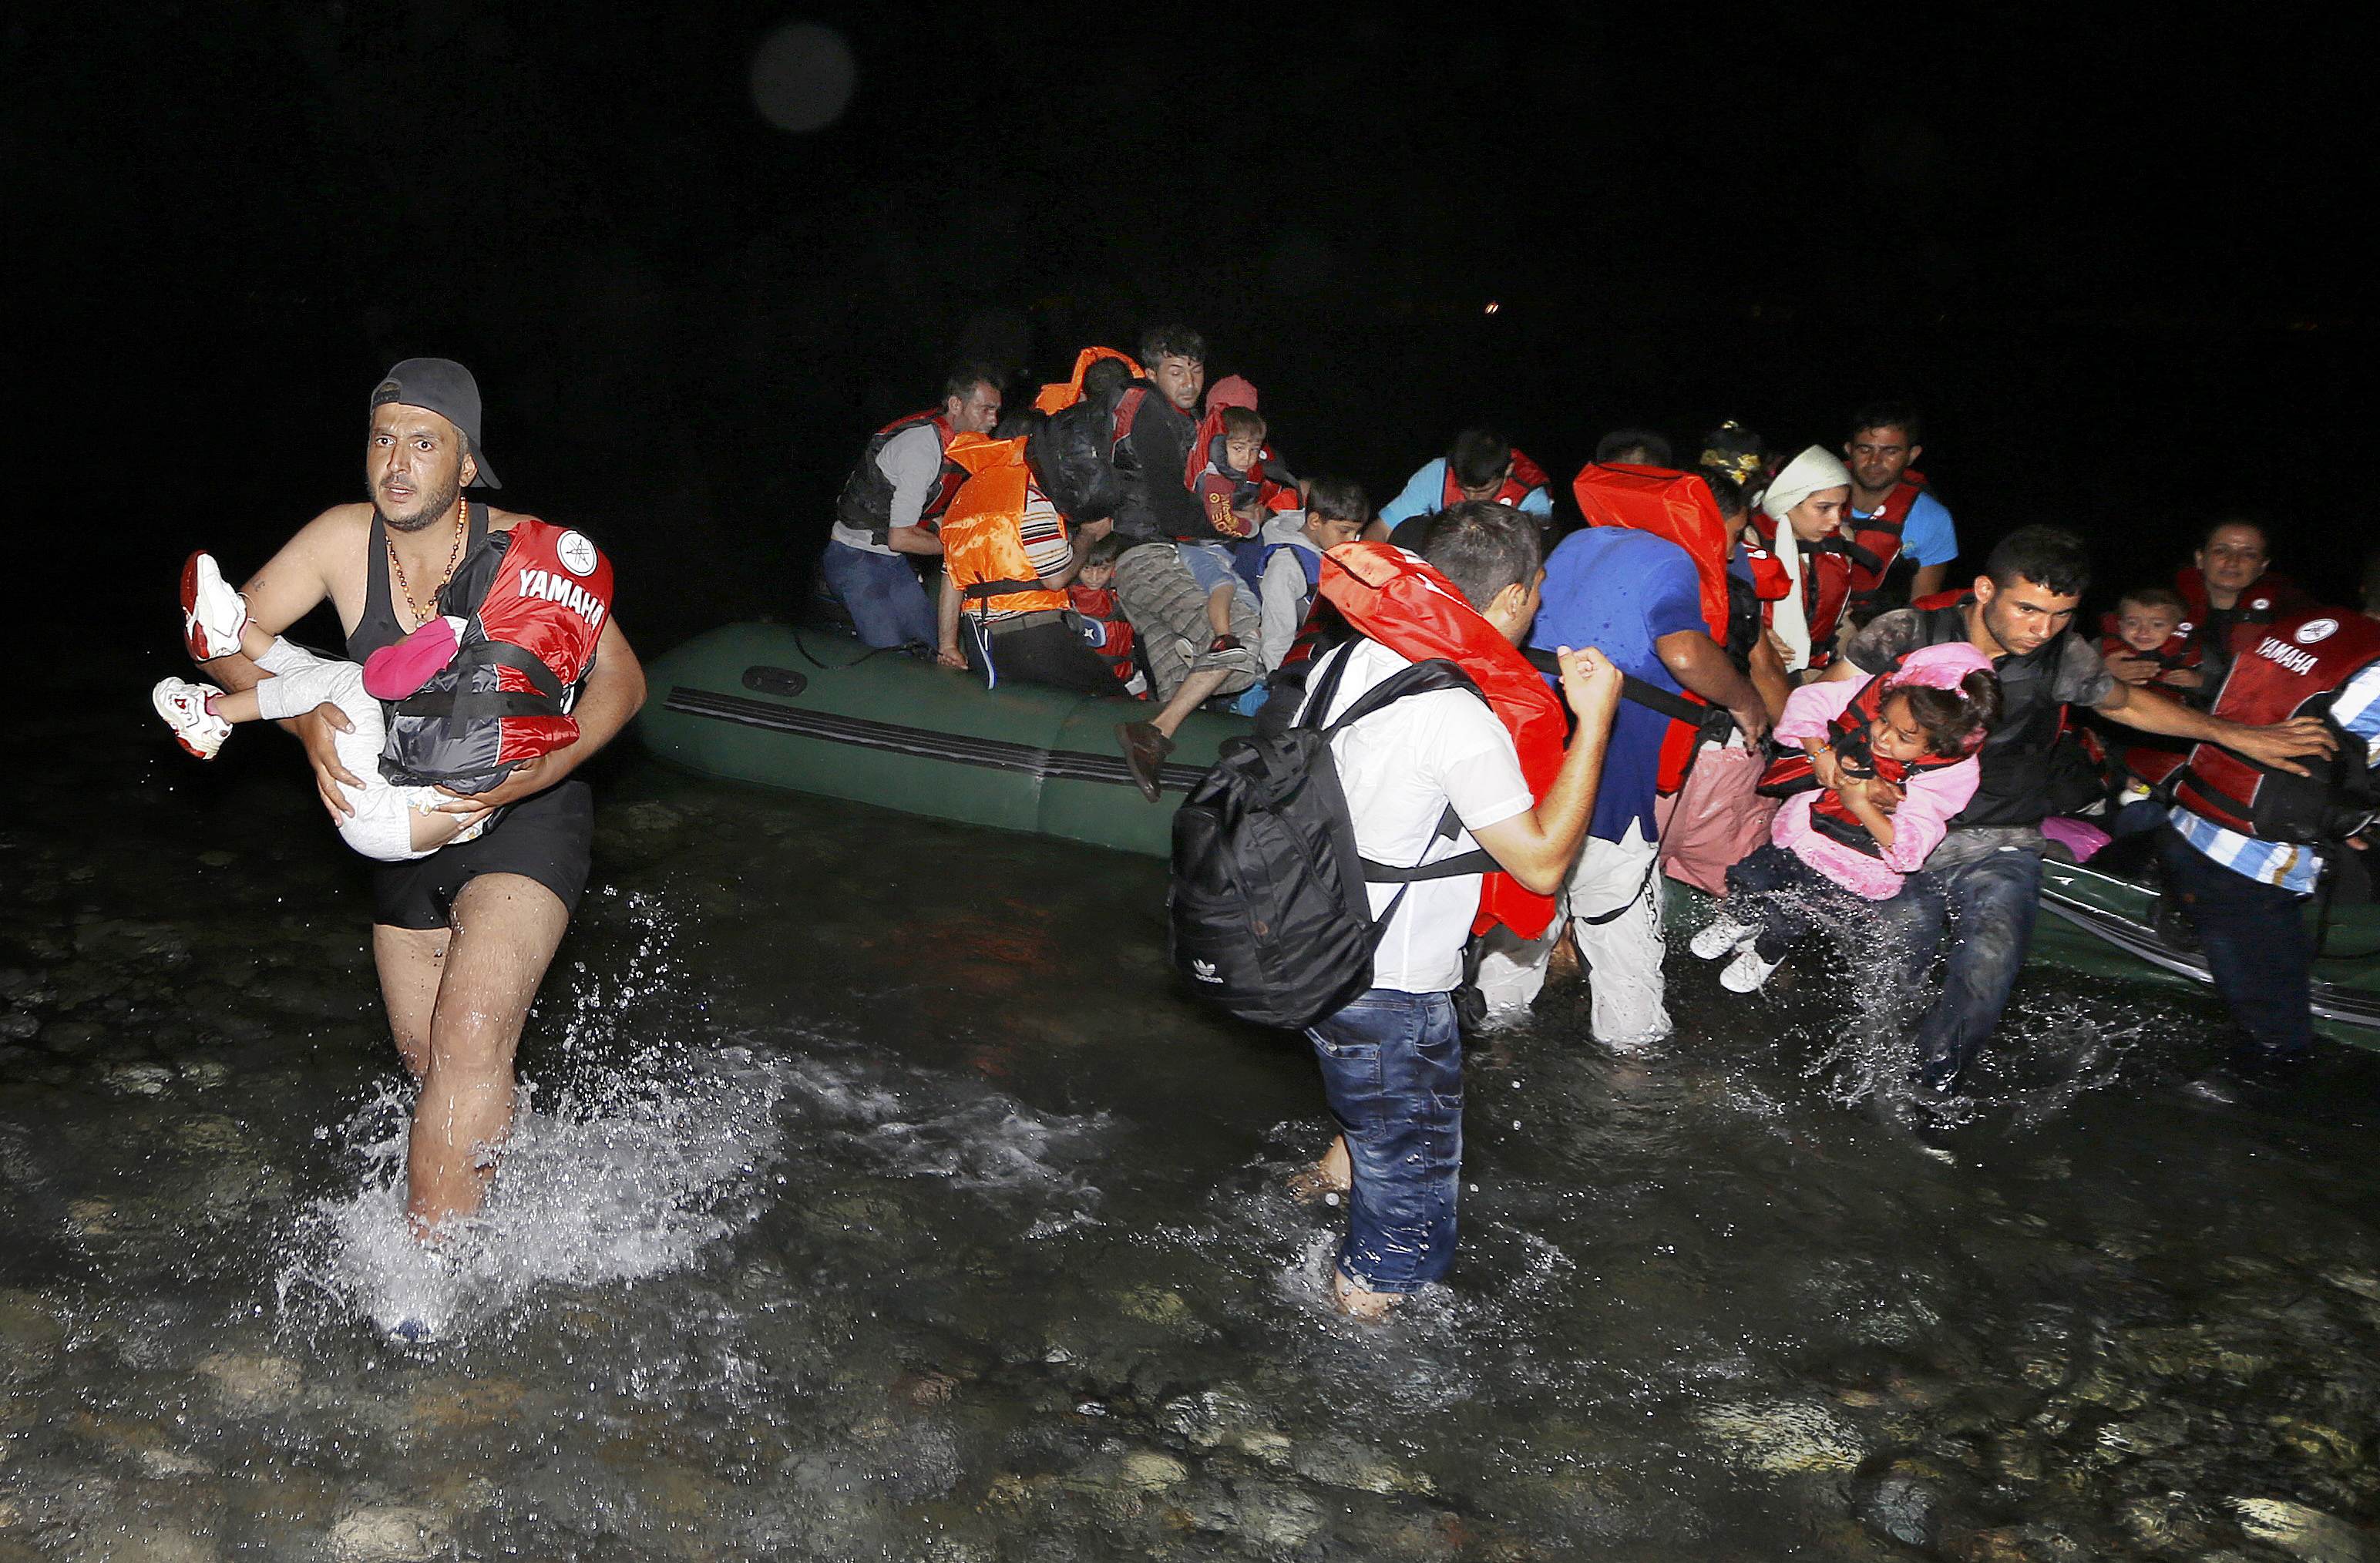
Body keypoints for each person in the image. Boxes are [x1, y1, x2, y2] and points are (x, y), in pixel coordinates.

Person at [189, 359, 646, 1252]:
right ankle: (512, 1193)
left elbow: (621, 681)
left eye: (424, 443)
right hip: (399, 823)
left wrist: (544, 773)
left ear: (466, 464)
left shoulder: (533, 551)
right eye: (383, 439)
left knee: (472, 1033)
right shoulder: (337, 539)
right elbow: (222, 642)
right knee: (430, 1061)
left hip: (526, 809)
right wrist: (306, 720)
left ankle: (432, 1284)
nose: (397, 463)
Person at [1826, 526, 2331, 1112]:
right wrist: (1848, 772)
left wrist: (2239, 736)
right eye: (2027, 610)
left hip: (2000, 839)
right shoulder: (1908, 630)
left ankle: (1932, 1093)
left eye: (2061, 614)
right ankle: (1858, 1079)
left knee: (1989, 968)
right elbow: (1824, 706)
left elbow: (2123, 702)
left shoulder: (2062, 654)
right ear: (1986, 589)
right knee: (1895, 967)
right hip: (1898, 830)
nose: (2041, 629)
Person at [1291, 506, 1622, 1317]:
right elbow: (1541, 861)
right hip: (1390, 985)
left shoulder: (1346, 661)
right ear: (1511, 597)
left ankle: (1320, 1180)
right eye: (1537, 592)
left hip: (1309, 948)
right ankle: (1359, 1328)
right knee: (1408, 1204)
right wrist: (1595, 722)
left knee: (1370, 1101)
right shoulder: (1458, 715)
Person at [1471, 473, 1770, 1044]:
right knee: (1620, 925)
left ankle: (1495, 1047)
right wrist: (1745, 701)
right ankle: (1633, 1071)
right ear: (1706, 520)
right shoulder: (1672, 560)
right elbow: (1682, 651)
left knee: (1527, 917)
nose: (1732, 551)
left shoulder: (1581, 542)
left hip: (1535, 761)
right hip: (1611, 772)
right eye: (1732, 534)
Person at [2163, 596, 2380, 1087]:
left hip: (2190, 823)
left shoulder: (2310, 625)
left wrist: (2350, 821)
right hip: (2250, 866)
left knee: (2250, 979)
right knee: (2280, 1043)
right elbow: (2346, 762)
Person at [1696, 644, 1997, 992]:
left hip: (1850, 865)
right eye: (1883, 721)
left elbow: (1912, 848)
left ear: (1938, 748)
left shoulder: (1949, 775)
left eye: (1904, 738)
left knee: (1789, 917)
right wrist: (1820, 753)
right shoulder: (1881, 692)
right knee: (1754, 874)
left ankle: (1764, 955)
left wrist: (1861, 804)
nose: (1883, 737)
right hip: (1805, 832)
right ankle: (1738, 918)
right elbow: (1809, 701)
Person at [156, 563, 496, 861]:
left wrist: (415, 642)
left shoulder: (461, 632)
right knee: (326, 679)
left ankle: (213, 712)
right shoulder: (518, 665)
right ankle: (237, 633)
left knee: (351, 681)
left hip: (386, 813)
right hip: (405, 821)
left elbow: (382, 680)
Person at [1108, 326, 1266, 799]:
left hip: (1146, 563)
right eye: (1175, 371)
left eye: (1196, 371)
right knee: (1239, 622)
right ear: (1153, 372)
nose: (1188, 381)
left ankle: (1145, 769)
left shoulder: (1184, 419)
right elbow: (1171, 509)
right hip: (1151, 558)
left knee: (1185, 678)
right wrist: (1236, 521)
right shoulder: (1152, 414)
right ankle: (1152, 732)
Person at [933, 418, 1121, 694]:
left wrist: (948, 645)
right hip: (1034, 635)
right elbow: (1056, 580)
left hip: (982, 641)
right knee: (1116, 701)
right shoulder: (1028, 494)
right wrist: (1089, 535)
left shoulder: (966, 500)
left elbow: (952, 578)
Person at [823, 365, 1003, 649]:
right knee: (892, 654)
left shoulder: (960, 447)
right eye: (986, 409)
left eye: (996, 411)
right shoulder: (921, 448)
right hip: (854, 558)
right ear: (956, 404)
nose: (994, 420)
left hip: (891, 561)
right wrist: (961, 550)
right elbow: (901, 538)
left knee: (934, 643)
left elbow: (942, 515)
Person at [2169, 518, 2316, 698]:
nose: (2233, 561)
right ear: (2200, 559)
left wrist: (2209, 683)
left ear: (2263, 566)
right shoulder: (2161, 608)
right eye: (2221, 551)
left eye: (2249, 554)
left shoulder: (2294, 615)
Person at [1749, 446, 1856, 678]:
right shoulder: (1749, 540)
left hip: (1821, 665)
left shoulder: (1843, 540)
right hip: (1759, 667)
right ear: (1789, 500)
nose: (1836, 519)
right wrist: (1756, 634)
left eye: (1841, 507)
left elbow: (1841, 615)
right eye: (1824, 508)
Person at [1842, 403, 1960, 610]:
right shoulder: (1811, 497)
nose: (1874, 461)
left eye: (1890, 451)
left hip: (1882, 632)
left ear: (1912, 455)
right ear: (1849, 450)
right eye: (1865, 449)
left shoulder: (1932, 519)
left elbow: (1922, 606)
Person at [1250, 478, 1370, 671]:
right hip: (1293, 663)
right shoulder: (1286, 565)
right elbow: (1276, 639)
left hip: (1328, 648)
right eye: (1345, 531)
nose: (1352, 542)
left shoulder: (1327, 543)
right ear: (1315, 521)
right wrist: (1283, 688)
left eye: (1356, 533)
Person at [1377, 428, 1554, 538]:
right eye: (1465, 489)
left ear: (1508, 470)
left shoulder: (1531, 499)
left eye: (1482, 490)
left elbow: (1532, 565)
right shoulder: (1437, 474)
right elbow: (1384, 528)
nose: (1471, 499)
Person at [1067, 533, 1148, 697]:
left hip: (1128, 682)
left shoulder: (1127, 590)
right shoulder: (1063, 594)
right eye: (1087, 569)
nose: (1095, 578)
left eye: (1103, 569)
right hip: (1081, 683)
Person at [1594, 428, 1673, 468]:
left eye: (1647, 460)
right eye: (1626, 457)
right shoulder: (1586, 496)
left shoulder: (1672, 499)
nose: (1638, 462)